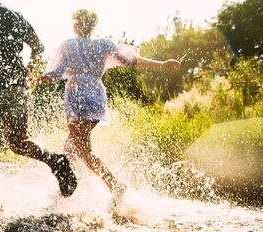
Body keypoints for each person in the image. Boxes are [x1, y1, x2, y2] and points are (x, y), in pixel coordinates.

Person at [34, 9, 181, 198]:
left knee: (83, 150)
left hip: (78, 97)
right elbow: (132, 61)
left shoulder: (68, 45)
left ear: (76, 25)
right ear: (93, 25)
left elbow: (54, 75)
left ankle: (114, 185)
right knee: (71, 146)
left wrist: (34, 79)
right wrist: (161, 65)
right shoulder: (104, 44)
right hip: (96, 96)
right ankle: (65, 190)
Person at [0, 0, 77, 207]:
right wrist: (29, 72)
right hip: (16, 88)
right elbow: (39, 46)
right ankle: (55, 160)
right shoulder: (15, 15)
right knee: (20, 141)